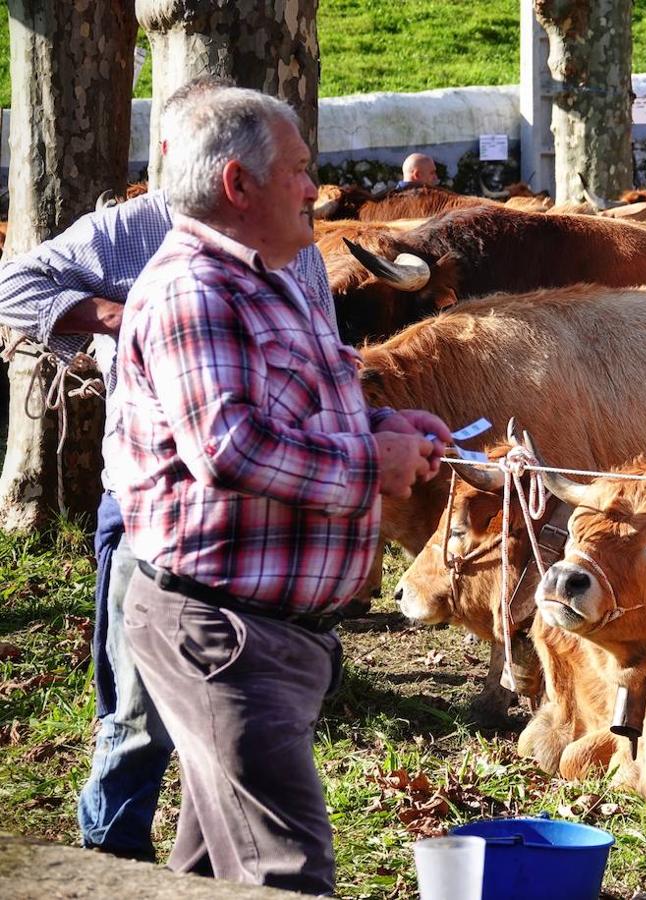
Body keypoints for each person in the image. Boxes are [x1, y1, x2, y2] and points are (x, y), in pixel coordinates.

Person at [108, 86, 452, 893]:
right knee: (287, 873)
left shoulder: (268, 279)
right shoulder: (198, 293)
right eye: (299, 171)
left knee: (208, 870)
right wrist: (374, 468)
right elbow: (231, 447)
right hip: (225, 636)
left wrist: (385, 425)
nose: (314, 190)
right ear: (239, 185)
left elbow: (287, 414)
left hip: (260, 634)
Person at [0, 76, 345, 864]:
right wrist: (111, 315)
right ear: (193, 159)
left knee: (230, 721)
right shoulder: (134, 234)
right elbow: (11, 282)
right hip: (157, 516)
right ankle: (109, 865)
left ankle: (196, 868)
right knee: (139, 716)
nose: (311, 186)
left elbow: (325, 352)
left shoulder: (292, 247)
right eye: (292, 165)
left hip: (258, 528)